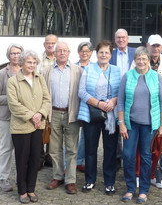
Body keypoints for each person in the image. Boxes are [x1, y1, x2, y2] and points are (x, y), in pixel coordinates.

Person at [117, 47, 162, 203]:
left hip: (150, 125)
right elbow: (120, 101)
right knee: (128, 155)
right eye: (138, 58)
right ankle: (131, 188)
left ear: (148, 60)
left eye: (144, 58)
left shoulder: (156, 77)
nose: (141, 61)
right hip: (130, 124)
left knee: (146, 157)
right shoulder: (127, 76)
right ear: (135, 60)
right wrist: (121, 123)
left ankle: (144, 190)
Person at [77, 40, 121, 195]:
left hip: (111, 116)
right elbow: (81, 92)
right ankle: (90, 180)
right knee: (90, 149)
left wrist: (113, 101)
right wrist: (99, 104)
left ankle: (109, 182)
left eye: (107, 52)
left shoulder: (117, 71)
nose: (104, 55)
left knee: (110, 149)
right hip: (92, 114)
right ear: (97, 54)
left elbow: (120, 92)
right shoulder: (88, 69)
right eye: (101, 52)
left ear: (110, 55)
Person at [7, 50, 51, 204]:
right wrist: (32, 115)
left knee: (35, 159)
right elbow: (13, 105)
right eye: (29, 62)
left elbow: (47, 99)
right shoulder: (13, 81)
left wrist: (40, 114)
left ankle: (31, 189)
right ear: (22, 63)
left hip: (38, 127)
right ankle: (22, 191)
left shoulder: (40, 79)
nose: (32, 65)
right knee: (22, 159)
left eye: (34, 62)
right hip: (22, 127)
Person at [134, 34, 162, 189]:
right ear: (147, 46)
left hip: (159, 110)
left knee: (158, 146)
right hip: (142, 110)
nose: (155, 49)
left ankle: (154, 175)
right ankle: (138, 174)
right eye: (153, 46)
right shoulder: (139, 61)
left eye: (158, 46)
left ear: (161, 47)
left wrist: (155, 96)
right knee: (140, 146)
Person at [42, 42, 83, 194]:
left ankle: (70, 180)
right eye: (59, 51)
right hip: (53, 113)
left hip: (71, 114)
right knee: (54, 148)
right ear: (55, 52)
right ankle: (58, 176)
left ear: (69, 52)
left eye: (65, 51)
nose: (62, 53)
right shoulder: (47, 71)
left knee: (72, 148)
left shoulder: (77, 71)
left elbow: (81, 94)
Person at [0, 43, 23, 192]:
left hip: (23, 118)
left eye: (18, 53)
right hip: (6, 117)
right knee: (6, 148)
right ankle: (4, 178)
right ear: (8, 56)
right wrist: (12, 99)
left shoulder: (27, 71)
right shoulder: (2, 73)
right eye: (13, 53)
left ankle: (20, 177)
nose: (16, 56)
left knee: (22, 150)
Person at [110, 28, 136, 168]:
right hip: (114, 95)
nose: (121, 40)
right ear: (115, 40)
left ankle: (128, 158)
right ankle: (117, 158)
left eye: (123, 37)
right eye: (118, 37)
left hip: (131, 95)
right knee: (115, 126)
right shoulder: (111, 54)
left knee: (129, 126)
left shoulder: (134, 53)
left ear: (127, 39)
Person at [37, 34, 58, 168]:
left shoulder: (61, 59)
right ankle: (39, 159)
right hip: (41, 99)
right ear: (44, 45)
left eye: (53, 43)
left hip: (56, 100)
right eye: (48, 43)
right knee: (40, 129)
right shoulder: (38, 60)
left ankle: (50, 158)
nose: (50, 45)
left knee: (53, 130)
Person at [75, 41, 94, 172]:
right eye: (82, 51)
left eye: (87, 51)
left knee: (85, 137)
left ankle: (81, 160)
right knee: (73, 136)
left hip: (88, 106)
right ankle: (71, 162)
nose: (84, 53)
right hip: (74, 104)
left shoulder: (95, 67)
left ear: (91, 53)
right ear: (78, 52)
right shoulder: (73, 66)